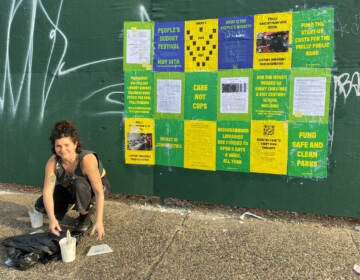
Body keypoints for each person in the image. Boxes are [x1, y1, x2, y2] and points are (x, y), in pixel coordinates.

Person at [34, 120, 110, 240]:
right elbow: (47, 192)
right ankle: (72, 203)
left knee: (78, 183)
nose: (62, 150)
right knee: (41, 205)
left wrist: (99, 221)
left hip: (94, 189)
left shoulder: (86, 160)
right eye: (58, 146)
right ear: (54, 146)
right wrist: (52, 220)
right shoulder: (52, 163)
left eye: (67, 145)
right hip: (71, 187)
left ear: (75, 144)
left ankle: (85, 216)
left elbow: (99, 192)